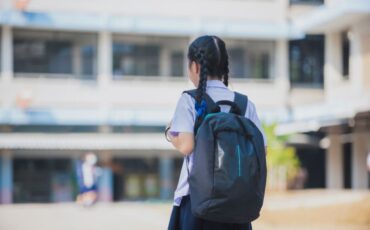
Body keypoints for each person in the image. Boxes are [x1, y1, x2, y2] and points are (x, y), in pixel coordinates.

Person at [166, 35, 267, 230]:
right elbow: (261, 150)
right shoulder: (245, 104)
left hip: (197, 201)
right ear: (224, 67)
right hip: (237, 205)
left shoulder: (190, 99)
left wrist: (170, 132)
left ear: (195, 66)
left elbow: (186, 146)